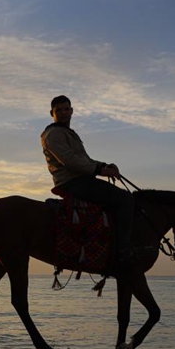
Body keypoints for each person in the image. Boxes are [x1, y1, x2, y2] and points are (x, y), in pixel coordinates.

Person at [41, 95, 134, 267]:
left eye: (66, 109)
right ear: (51, 113)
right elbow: (69, 161)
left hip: (81, 179)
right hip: (72, 182)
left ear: (72, 111)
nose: (63, 112)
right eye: (59, 110)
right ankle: (122, 253)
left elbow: (84, 159)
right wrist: (99, 170)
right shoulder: (52, 134)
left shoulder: (67, 133)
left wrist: (104, 165)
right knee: (125, 199)